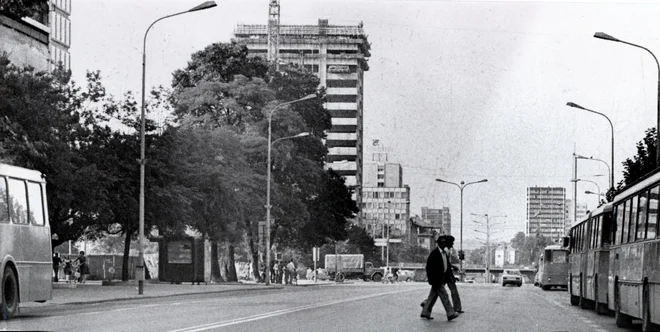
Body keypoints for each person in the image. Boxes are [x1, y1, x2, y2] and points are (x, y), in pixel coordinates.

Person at [420, 235, 459, 321]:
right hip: (436, 279)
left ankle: (425, 312)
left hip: (442, 278)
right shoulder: (434, 254)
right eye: (442, 243)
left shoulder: (444, 253)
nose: (443, 244)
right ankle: (450, 313)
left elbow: (447, 266)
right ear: (439, 243)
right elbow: (428, 268)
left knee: (432, 296)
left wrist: (450, 276)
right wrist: (431, 279)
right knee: (444, 296)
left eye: (444, 243)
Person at [442, 235, 464, 314]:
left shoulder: (446, 250)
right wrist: (453, 268)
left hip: (445, 274)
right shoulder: (446, 251)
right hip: (447, 274)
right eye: (452, 242)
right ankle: (457, 308)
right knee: (453, 291)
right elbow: (446, 264)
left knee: (437, 291)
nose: (453, 244)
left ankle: (426, 303)